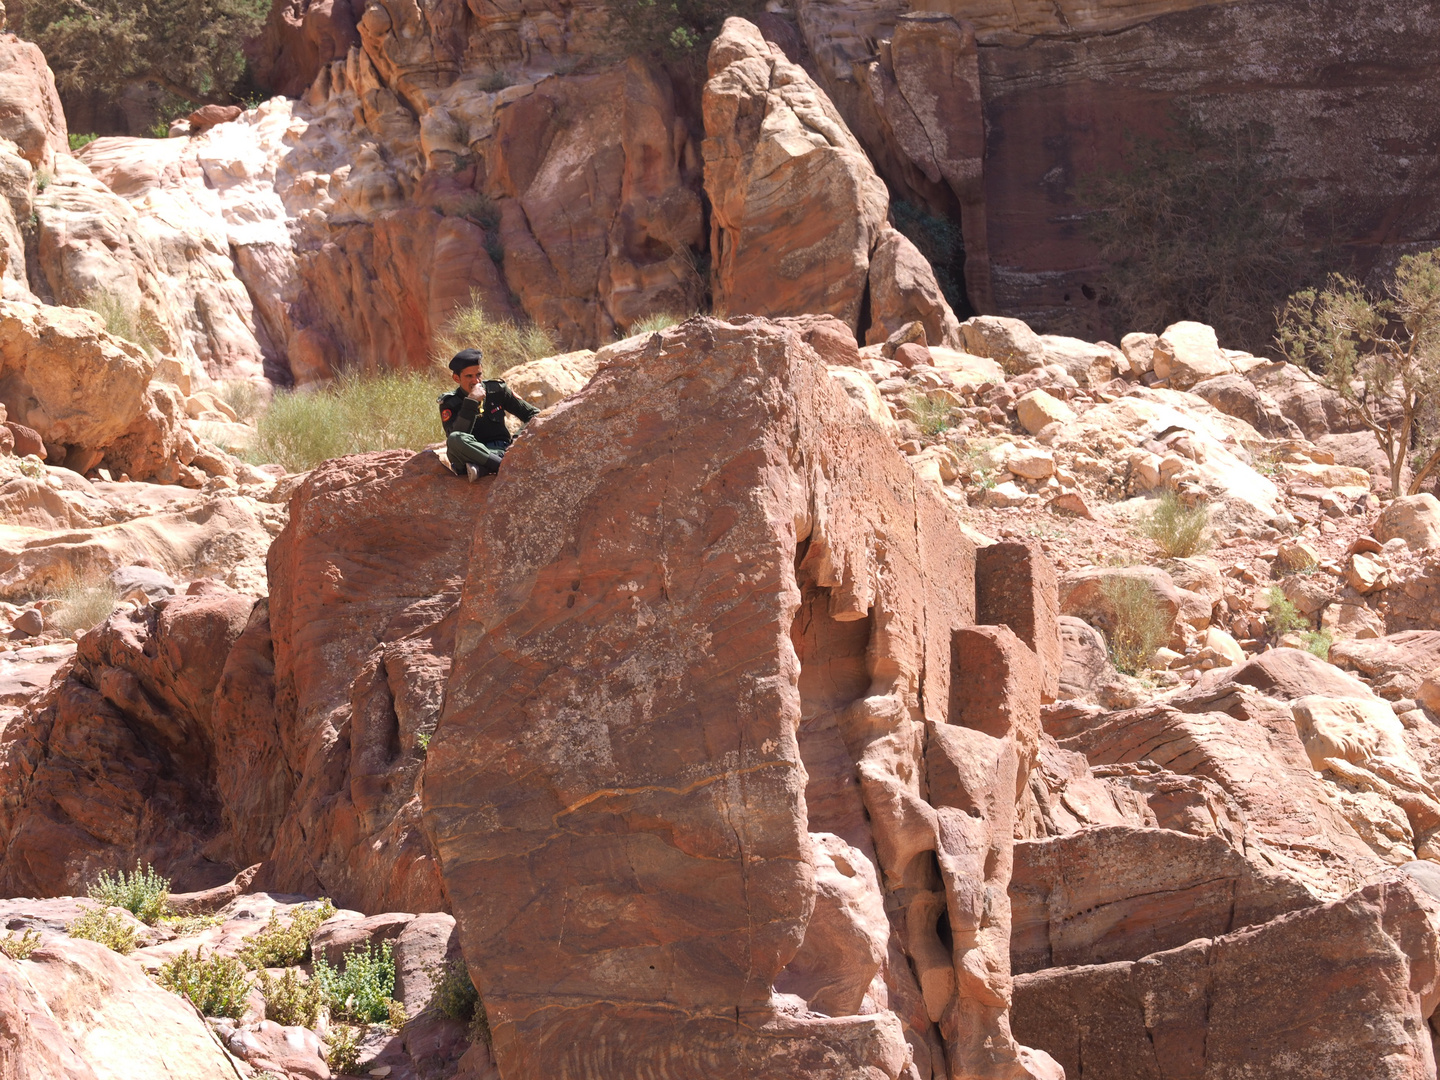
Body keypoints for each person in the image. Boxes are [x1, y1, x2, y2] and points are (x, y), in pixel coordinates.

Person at [438, 348, 539, 481]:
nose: (476, 381)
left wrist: (516, 442)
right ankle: (503, 467)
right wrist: (471, 402)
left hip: (501, 451)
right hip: (470, 455)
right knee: (455, 439)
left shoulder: (496, 390)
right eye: (469, 376)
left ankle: (483, 469)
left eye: (478, 374)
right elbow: (456, 436)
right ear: (457, 378)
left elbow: (533, 414)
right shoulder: (450, 402)